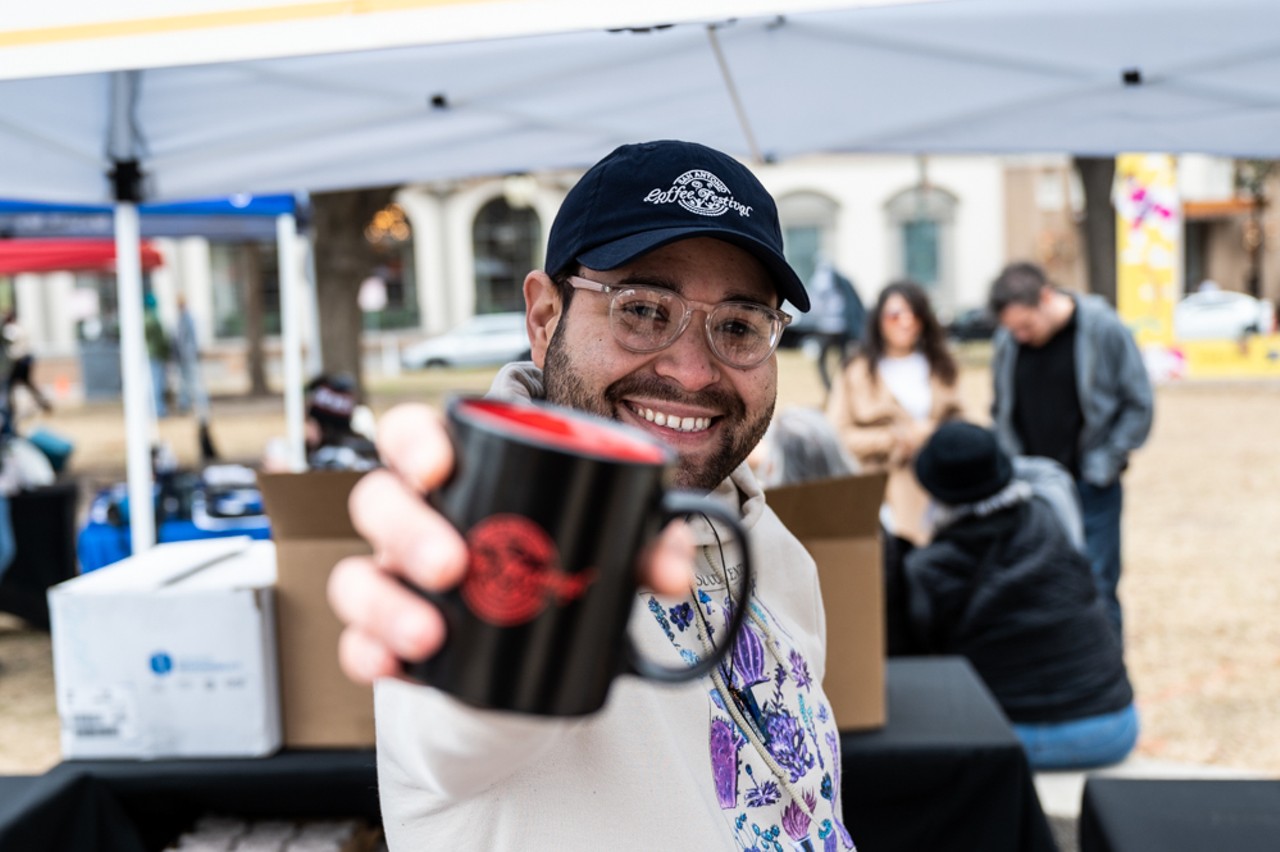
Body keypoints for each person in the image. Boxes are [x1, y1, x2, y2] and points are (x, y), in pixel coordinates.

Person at [329, 140, 857, 850]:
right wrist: (468, 610)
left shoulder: (775, 551)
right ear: (545, 319)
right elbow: (463, 721)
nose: (694, 372)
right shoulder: (497, 536)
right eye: (642, 310)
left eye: (738, 326)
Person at [903, 421, 1138, 770]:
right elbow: (1046, 473)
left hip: (1011, 736)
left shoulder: (929, 568)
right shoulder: (1049, 519)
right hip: (1111, 727)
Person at [988, 262, 1153, 641]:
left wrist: (1106, 462)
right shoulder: (1008, 341)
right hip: (1031, 490)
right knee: (1035, 588)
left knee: (1097, 587)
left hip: (1091, 486)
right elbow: (1001, 409)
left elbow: (1139, 402)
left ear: (1046, 297)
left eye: (1026, 326)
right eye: (1012, 330)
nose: (1020, 336)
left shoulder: (1103, 328)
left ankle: (1107, 687)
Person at [825, 280, 962, 546]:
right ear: (878, 319)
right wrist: (897, 439)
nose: (906, 322)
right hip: (882, 495)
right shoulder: (858, 371)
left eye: (915, 314)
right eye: (895, 315)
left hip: (942, 491)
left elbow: (964, 422)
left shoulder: (942, 366)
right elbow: (837, 435)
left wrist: (936, 434)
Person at [2, 309, 52, 416]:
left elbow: (12, 348)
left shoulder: (11, 330)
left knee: (10, 386)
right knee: (28, 385)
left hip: (19, 362)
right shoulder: (21, 327)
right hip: (26, 360)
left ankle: (10, 410)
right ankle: (44, 403)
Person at [172, 294, 206, 416]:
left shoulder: (188, 318)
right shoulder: (180, 318)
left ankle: (202, 404)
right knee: (183, 382)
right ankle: (184, 405)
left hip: (189, 356)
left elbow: (191, 339)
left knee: (195, 381)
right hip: (182, 357)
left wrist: (192, 353)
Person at [143, 292, 171, 418]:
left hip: (146, 356)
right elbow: (161, 341)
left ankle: (151, 409)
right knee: (157, 383)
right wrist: (166, 354)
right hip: (156, 355)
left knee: (149, 384)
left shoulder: (141, 319)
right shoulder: (154, 320)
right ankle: (158, 409)